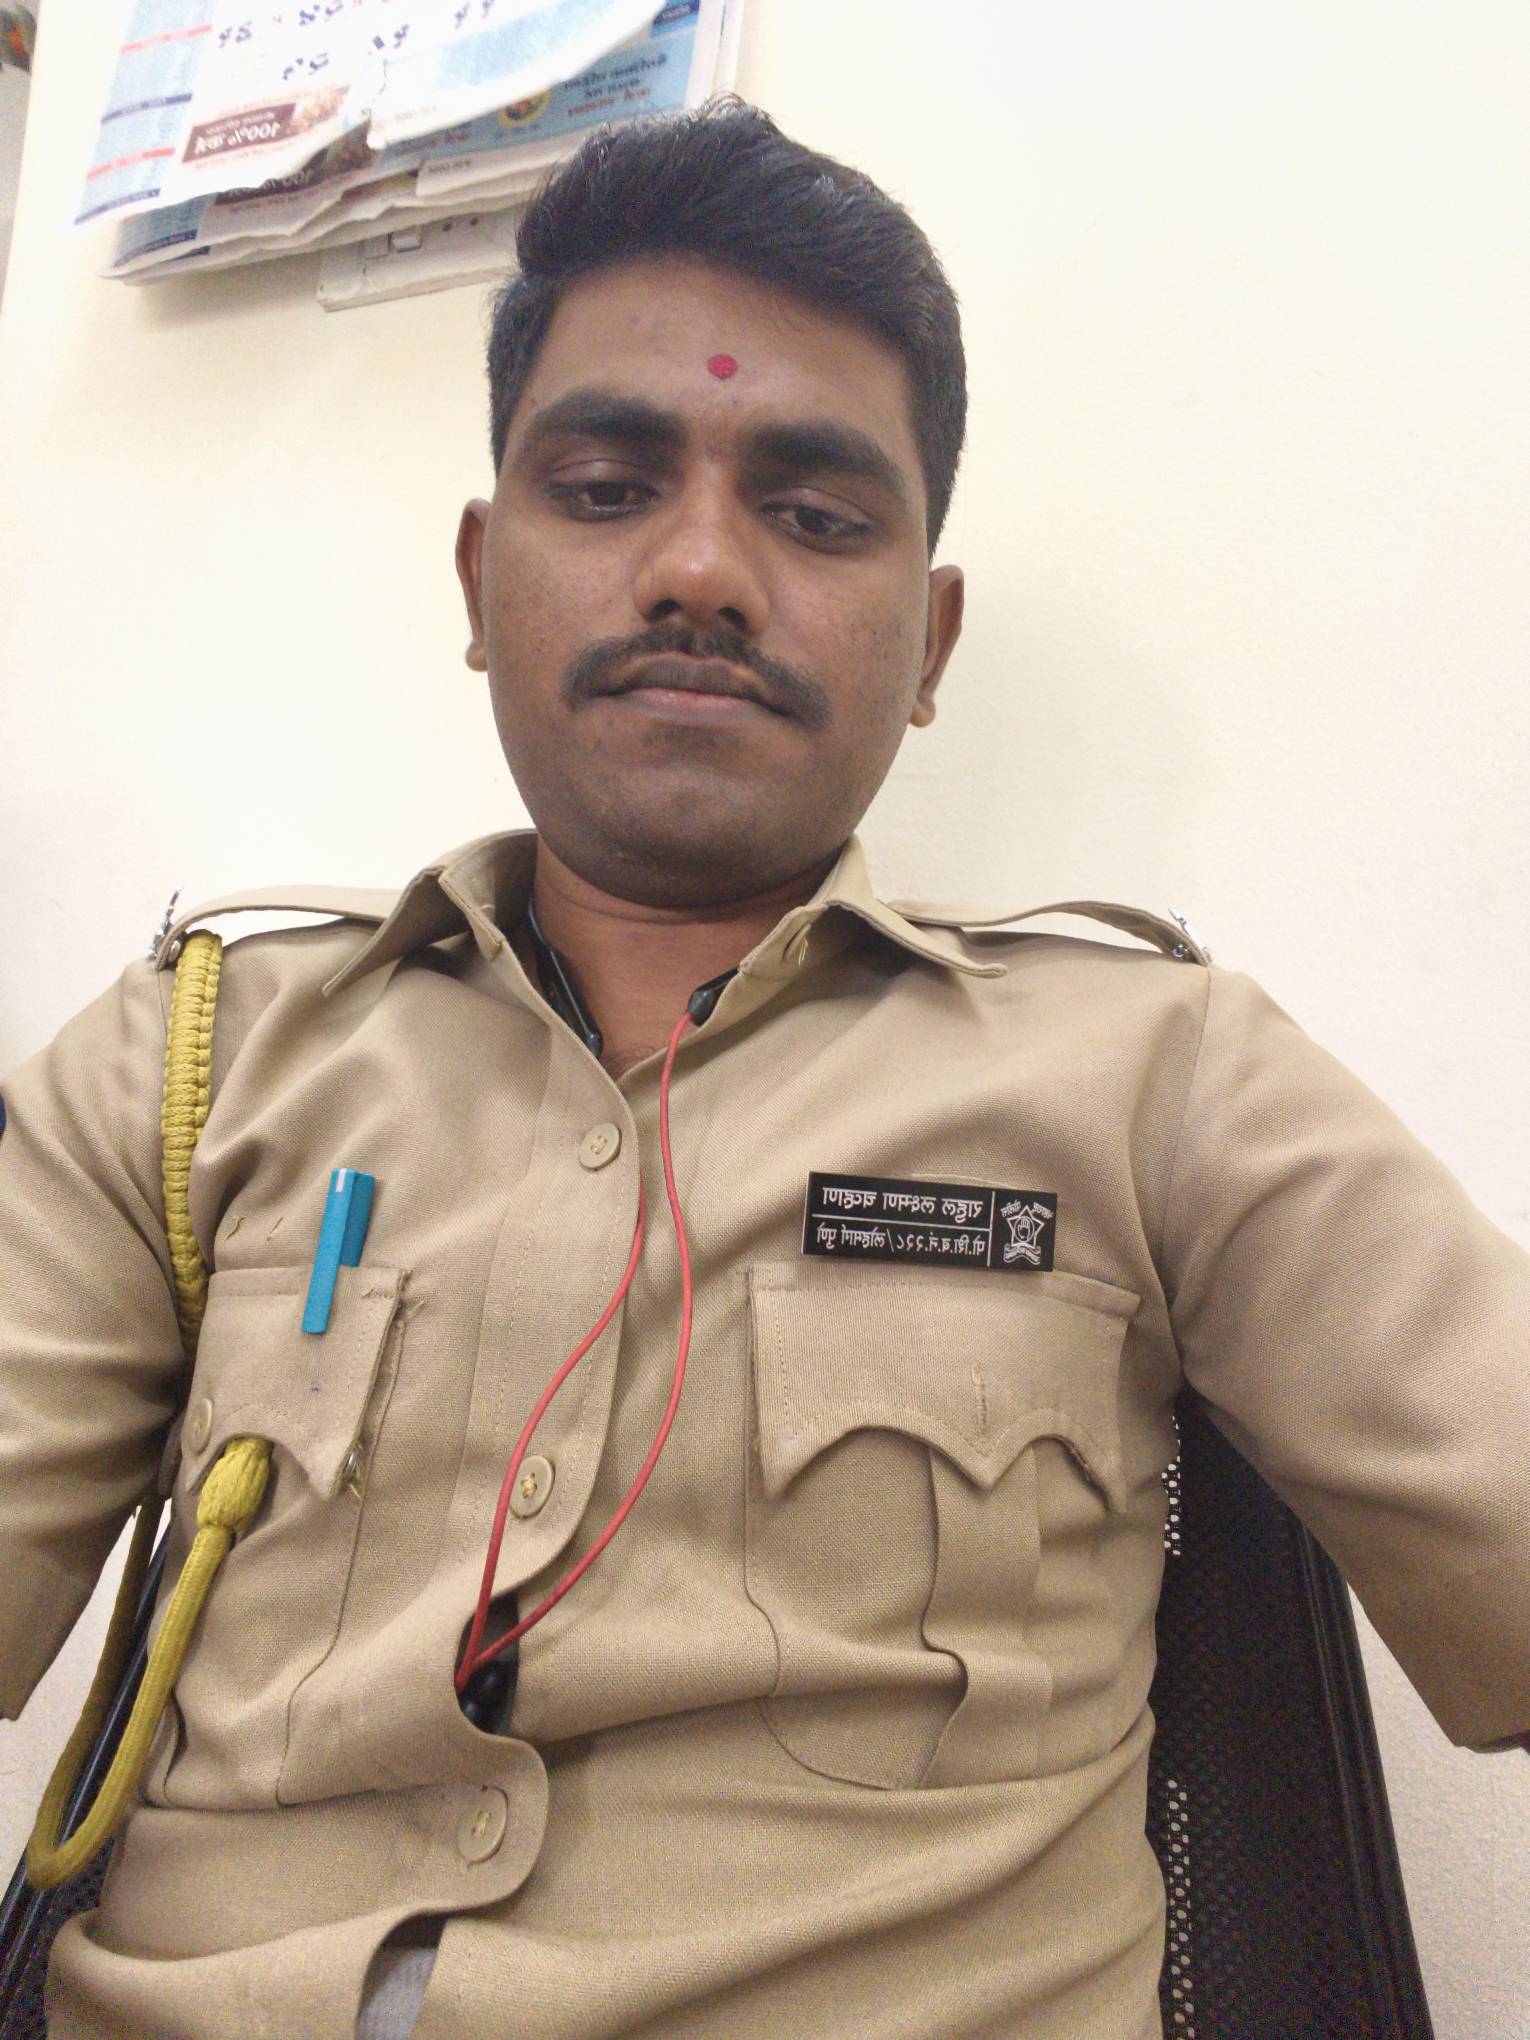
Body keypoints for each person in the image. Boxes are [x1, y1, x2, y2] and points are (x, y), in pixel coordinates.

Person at [1, 98, 1526, 2040]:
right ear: (478, 579)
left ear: (930, 640)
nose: (703, 572)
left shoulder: (1161, 1073)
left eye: (812, 516)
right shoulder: (195, 1059)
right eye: (606, 485)